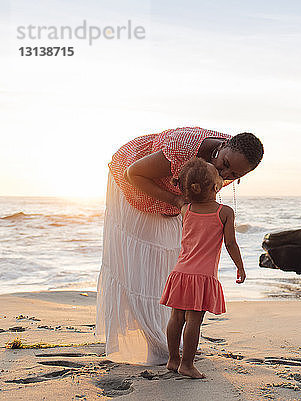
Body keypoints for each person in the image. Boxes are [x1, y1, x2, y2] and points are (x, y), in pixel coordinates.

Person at [96, 127, 263, 365]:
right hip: (132, 177)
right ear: (224, 145)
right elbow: (135, 174)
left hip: (171, 192)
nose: (223, 172)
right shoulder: (182, 147)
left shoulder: (230, 162)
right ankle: (142, 341)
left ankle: (169, 344)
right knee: (142, 265)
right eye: (224, 164)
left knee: (167, 262)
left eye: (234, 174)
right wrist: (174, 200)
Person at [159, 158, 245, 378]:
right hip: (202, 276)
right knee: (193, 322)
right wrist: (240, 267)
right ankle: (187, 364)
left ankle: (173, 359)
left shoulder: (185, 208)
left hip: (180, 272)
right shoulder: (224, 212)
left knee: (176, 318)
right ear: (216, 187)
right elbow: (231, 244)